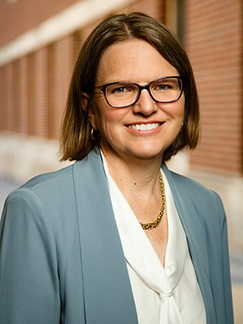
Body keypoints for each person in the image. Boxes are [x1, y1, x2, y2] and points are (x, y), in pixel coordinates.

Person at [0, 12, 233, 324]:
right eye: (122, 89)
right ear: (90, 109)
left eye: (163, 86)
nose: (147, 106)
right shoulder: (38, 212)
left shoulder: (208, 209)